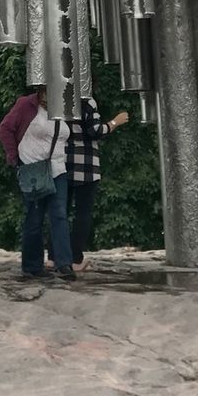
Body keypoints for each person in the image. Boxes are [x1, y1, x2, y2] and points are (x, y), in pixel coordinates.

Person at [0, 87, 76, 281]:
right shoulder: (26, 105)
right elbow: (5, 129)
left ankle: (64, 263)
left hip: (58, 169)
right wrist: (14, 157)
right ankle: (32, 266)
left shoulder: (65, 109)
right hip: (34, 169)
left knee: (60, 215)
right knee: (35, 217)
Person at [64, 97, 130, 270]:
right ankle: (75, 258)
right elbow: (95, 131)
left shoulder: (60, 97)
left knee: (60, 212)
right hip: (86, 165)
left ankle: (54, 256)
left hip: (62, 162)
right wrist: (115, 122)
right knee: (82, 213)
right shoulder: (87, 102)